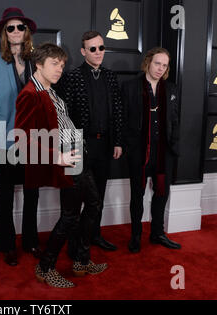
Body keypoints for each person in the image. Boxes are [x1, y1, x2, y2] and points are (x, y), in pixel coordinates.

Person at [15, 43, 108, 288]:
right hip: (64, 158)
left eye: (62, 64)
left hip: (77, 153)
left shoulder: (50, 90)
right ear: (38, 64)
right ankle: (45, 267)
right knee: (69, 216)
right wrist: (57, 157)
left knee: (94, 203)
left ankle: (81, 259)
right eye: (54, 64)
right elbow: (21, 139)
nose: (59, 69)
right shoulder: (30, 94)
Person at [0, 7, 40, 266]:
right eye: (11, 28)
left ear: (26, 31)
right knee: (6, 195)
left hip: (36, 141)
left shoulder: (37, 61)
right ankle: (7, 244)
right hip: (5, 140)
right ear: (5, 33)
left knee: (32, 194)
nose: (16, 31)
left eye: (20, 27)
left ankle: (30, 241)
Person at [56, 31, 123, 252]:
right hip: (78, 144)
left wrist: (118, 142)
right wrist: (67, 148)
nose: (97, 53)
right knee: (75, 198)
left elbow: (118, 112)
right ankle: (74, 241)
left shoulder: (111, 77)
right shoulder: (72, 77)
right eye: (92, 49)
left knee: (99, 195)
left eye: (101, 48)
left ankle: (94, 235)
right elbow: (63, 116)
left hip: (105, 145)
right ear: (83, 51)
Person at [121, 47, 181, 253]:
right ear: (148, 62)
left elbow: (175, 120)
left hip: (164, 152)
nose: (160, 68)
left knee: (161, 193)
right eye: (157, 63)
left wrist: (174, 145)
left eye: (164, 65)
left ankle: (157, 233)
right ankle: (136, 235)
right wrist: (127, 146)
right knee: (137, 195)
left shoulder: (171, 89)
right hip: (139, 152)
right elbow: (122, 119)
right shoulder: (130, 87)